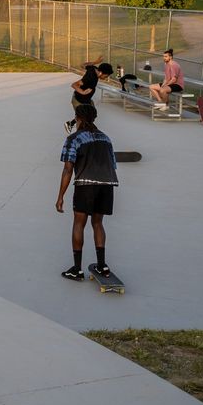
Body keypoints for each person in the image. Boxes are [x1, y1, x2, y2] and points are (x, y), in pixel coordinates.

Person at [56, 104, 119, 281]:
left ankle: (77, 269)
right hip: (107, 184)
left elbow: (68, 169)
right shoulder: (106, 138)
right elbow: (113, 164)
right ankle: (102, 265)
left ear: (78, 118)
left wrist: (60, 196)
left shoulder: (74, 138)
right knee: (98, 223)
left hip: (86, 185)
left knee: (79, 223)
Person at [66, 58, 113, 134]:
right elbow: (74, 85)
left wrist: (95, 62)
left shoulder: (93, 68)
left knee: (92, 114)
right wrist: (83, 92)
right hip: (79, 100)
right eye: (106, 76)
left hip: (87, 100)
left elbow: (82, 65)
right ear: (101, 72)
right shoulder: (90, 78)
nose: (106, 78)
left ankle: (71, 123)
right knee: (82, 119)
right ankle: (79, 134)